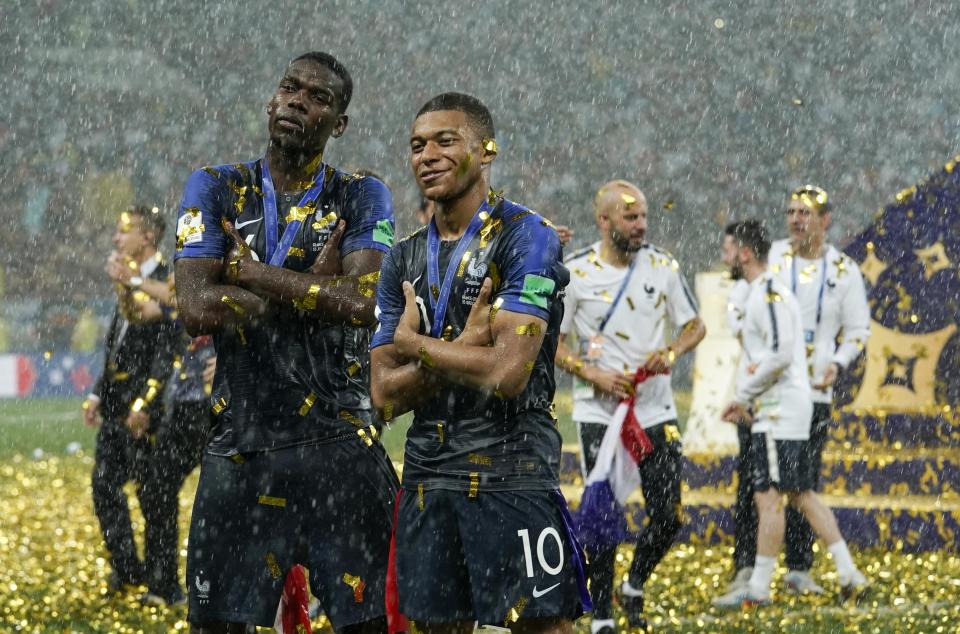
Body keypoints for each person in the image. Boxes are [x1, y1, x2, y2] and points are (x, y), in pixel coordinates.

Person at [174, 51, 398, 633]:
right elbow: (196, 307)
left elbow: (363, 303)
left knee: (369, 626)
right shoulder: (215, 186)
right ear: (273, 99)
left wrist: (247, 274)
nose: (298, 100)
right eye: (289, 87)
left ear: (339, 123)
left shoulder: (361, 194)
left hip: (339, 447)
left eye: (318, 96)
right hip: (241, 444)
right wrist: (313, 289)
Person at [370, 92, 585, 633]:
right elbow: (384, 395)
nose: (428, 155)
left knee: (539, 626)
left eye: (446, 141)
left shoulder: (526, 237)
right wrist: (464, 348)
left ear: (486, 150)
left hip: (510, 467)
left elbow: (507, 375)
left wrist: (417, 345)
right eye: (418, 145)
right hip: (428, 473)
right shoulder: (403, 255)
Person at [554, 180, 705, 631]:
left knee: (669, 513)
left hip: (654, 409)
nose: (641, 225)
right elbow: (556, 346)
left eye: (643, 216)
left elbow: (695, 325)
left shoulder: (662, 266)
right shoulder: (576, 271)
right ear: (604, 221)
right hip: (600, 412)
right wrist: (594, 374)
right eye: (631, 217)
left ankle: (634, 584)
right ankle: (601, 614)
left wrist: (672, 352)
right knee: (602, 512)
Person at [719, 186, 871, 597]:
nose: (796, 219)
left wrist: (835, 364)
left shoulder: (842, 271)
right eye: (790, 211)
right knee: (763, 485)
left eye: (805, 212)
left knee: (790, 485)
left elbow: (858, 331)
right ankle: (749, 567)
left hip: (794, 393)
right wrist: (748, 343)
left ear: (825, 220)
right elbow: (737, 305)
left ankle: (794, 569)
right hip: (775, 391)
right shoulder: (774, 262)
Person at [107, 263, 216, 606]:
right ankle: (164, 585)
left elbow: (177, 295)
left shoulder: (216, 293)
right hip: (184, 409)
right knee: (157, 490)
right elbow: (139, 311)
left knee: (227, 499)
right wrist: (125, 290)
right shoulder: (179, 302)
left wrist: (135, 279)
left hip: (221, 408)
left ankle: (231, 589)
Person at [82, 206, 178, 594]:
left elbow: (166, 350)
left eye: (125, 232)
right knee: (104, 485)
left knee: (152, 495)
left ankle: (162, 580)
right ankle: (128, 569)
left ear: (148, 237)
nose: (117, 239)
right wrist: (96, 391)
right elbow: (116, 345)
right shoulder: (130, 279)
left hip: (145, 410)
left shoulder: (164, 281)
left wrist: (147, 404)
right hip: (115, 407)